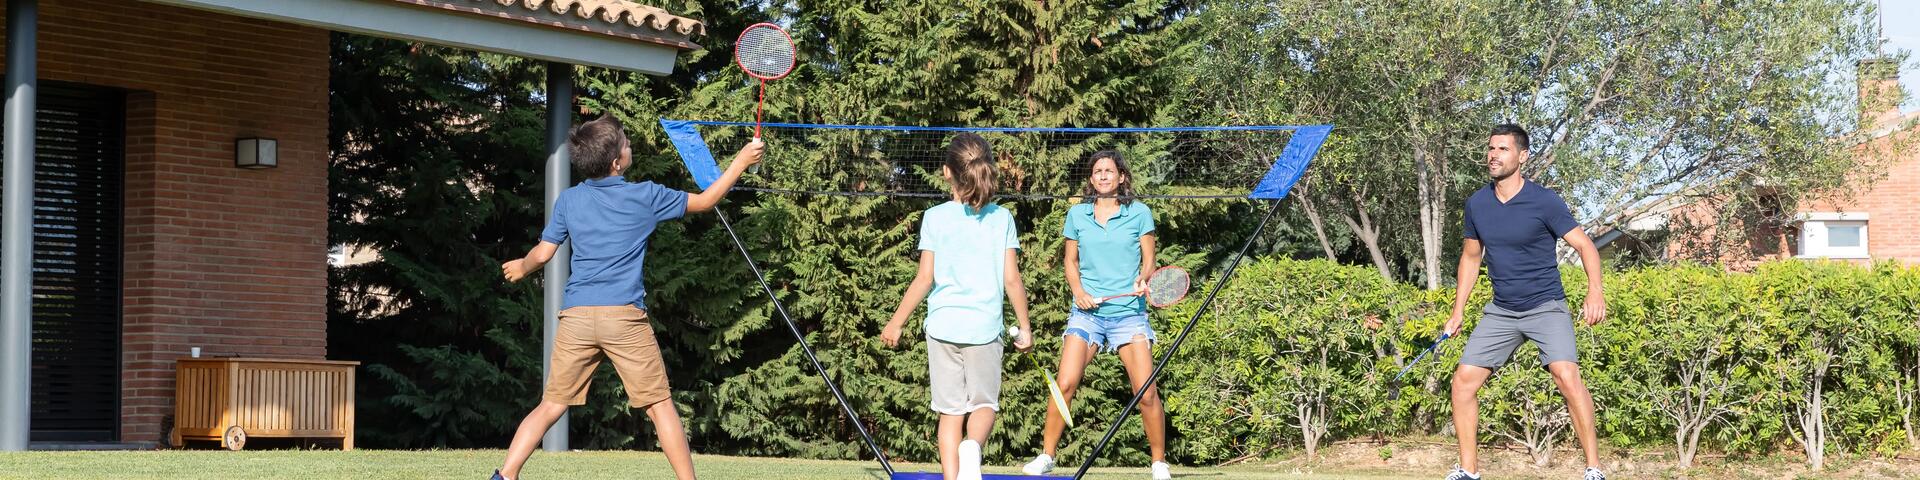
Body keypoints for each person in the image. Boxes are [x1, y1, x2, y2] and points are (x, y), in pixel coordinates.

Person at [492, 113, 763, 480]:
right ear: (618, 161)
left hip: (577, 317)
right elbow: (706, 200)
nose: (630, 144)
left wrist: (522, 268)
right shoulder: (646, 195)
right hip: (623, 318)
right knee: (660, 406)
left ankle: (504, 476)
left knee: (551, 404)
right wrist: (742, 162)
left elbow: (542, 254)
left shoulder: (569, 200)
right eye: (626, 142)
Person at [1442, 124, 1607, 480]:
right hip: (1502, 310)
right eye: (1490, 149)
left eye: (1502, 149)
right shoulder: (1477, 203)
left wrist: (1595, 290)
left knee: (1566, 376)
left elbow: (1585, 246)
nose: (1493, 155)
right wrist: (1457, 312)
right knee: (1463, 382)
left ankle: (1593, 469)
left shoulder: (1544, 201)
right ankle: (1469, 472)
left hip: (1546, 305)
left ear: (1522, 156)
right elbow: (1471, 258)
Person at [880, 132, 1034, 480]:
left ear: (947, 172)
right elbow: (1012, 280)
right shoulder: (1002, 218)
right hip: (983, 330)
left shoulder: (934, 217)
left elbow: (924, 279)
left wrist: (896, 323)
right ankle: (973, 448)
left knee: (949, 414)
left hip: (942, 329)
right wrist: (1025, 328)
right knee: (984, 406)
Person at [1021, 150, 1170, 480]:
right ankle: (1047, 456)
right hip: (1086, 315)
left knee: (1145, 392)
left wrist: (1143, 278)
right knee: (1065, 383)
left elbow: (1149, 260)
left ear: (1121, 177)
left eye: (1110, 171)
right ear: (1091, 179)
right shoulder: (1077, 215)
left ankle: (1159, 463)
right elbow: (1070, 262)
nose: (1103, 176)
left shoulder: (1140, 213)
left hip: (1129, 314)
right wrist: (1079, 293)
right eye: (1098, 171)